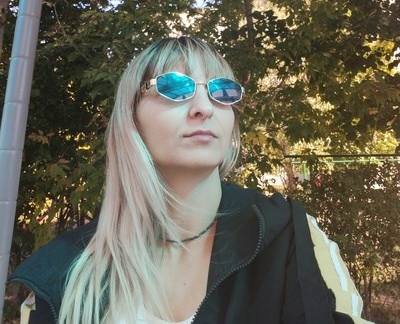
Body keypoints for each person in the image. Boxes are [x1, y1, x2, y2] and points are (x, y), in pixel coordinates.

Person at [10, 36, 373, 324]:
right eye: (175, 87)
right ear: (131, 118)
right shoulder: (65, 273)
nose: (204, 107)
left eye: (221, 91)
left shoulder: (290, 236)